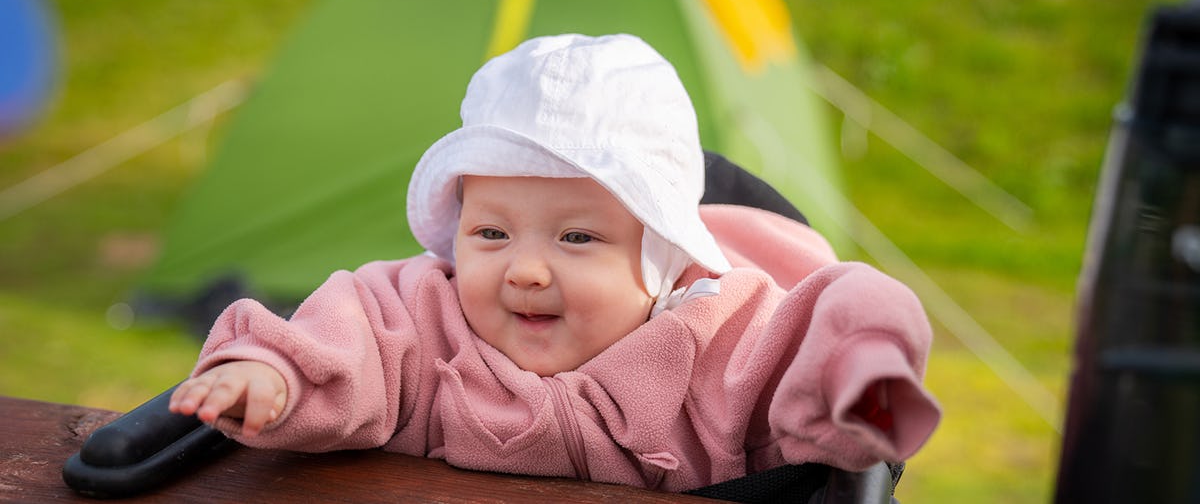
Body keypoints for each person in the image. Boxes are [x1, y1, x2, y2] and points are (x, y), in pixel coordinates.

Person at [169, 33, 940, 492]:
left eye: (575, 239)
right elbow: (345, 339)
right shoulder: (426, 319)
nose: (525, 272)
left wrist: (859, 380)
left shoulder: (718, 339)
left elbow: (831, 317)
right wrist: (275, 377)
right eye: (492, 235)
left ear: (664, 257)